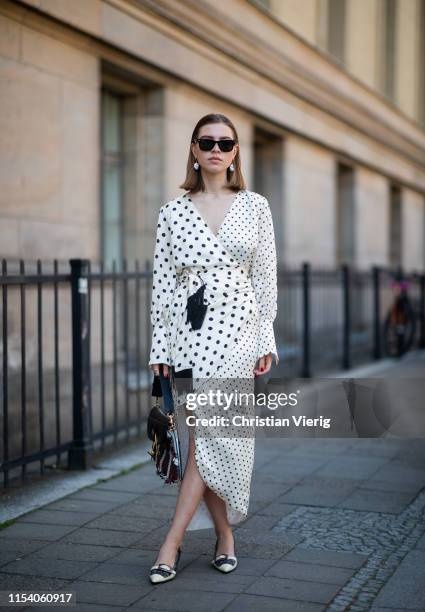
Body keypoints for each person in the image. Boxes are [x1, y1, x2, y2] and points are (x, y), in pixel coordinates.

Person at [148, 113, 279, 583]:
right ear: (194, 150)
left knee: (208, 437)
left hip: (239, 336)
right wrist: (158, 348)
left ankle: (172, 544)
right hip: (190, 337)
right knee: (209, 440)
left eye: (225, 142)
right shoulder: (172, 212)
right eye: (207, 142)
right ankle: (225, 536)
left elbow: (265, 278)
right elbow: (163, 287)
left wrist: (266, 337)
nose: (216, 149)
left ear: (236, 151)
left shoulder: (256, 206)